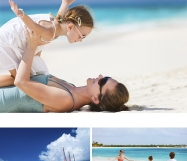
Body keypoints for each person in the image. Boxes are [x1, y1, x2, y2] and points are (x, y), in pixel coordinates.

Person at [0, 30, 129, 113]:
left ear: (96, 99)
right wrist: (42, 39)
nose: (100, 76)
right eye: (106, 77)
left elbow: (21, 82)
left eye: (103, 81)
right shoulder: (71, 87)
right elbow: (32, 73)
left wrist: (32, 46)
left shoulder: (66, 100)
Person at [0, 0, 94, 84]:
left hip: (14, 36)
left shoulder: (59, 21)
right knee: (19, 77)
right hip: (8, 40)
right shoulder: (50, 32)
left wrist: (65, 3)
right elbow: (33, 26)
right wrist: (22, 15)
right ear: (70, 27)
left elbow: (61, 12)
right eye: (82, 36)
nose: (80, 40)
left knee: (27, 75)